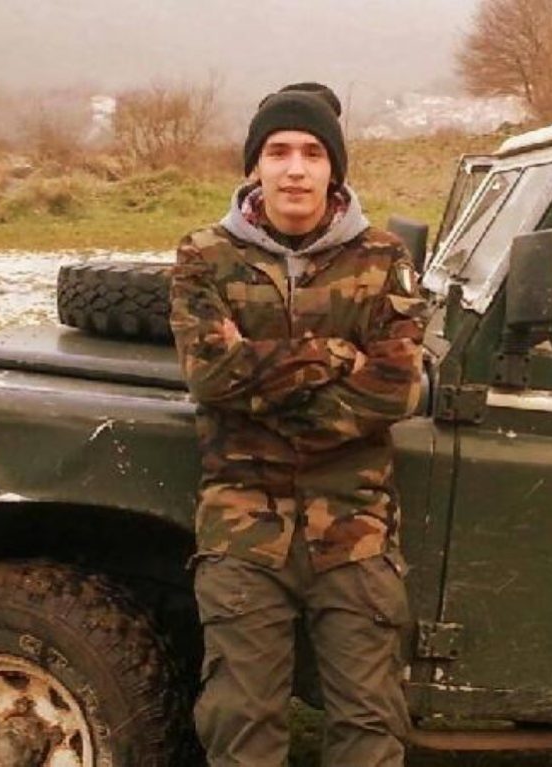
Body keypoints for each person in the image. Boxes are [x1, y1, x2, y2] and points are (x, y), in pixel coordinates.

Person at [169, 81, 425, 767]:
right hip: (243, 526)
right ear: (254, 165)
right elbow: (209, 376)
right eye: (278, 151)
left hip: (354, 527)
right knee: (241, 725)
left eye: (313, 152)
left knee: (370, 726)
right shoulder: (205, 257)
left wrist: (259, 377)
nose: (294, 169)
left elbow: (396, 390)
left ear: (333, 168)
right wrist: (335, 356)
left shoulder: (382, 260)